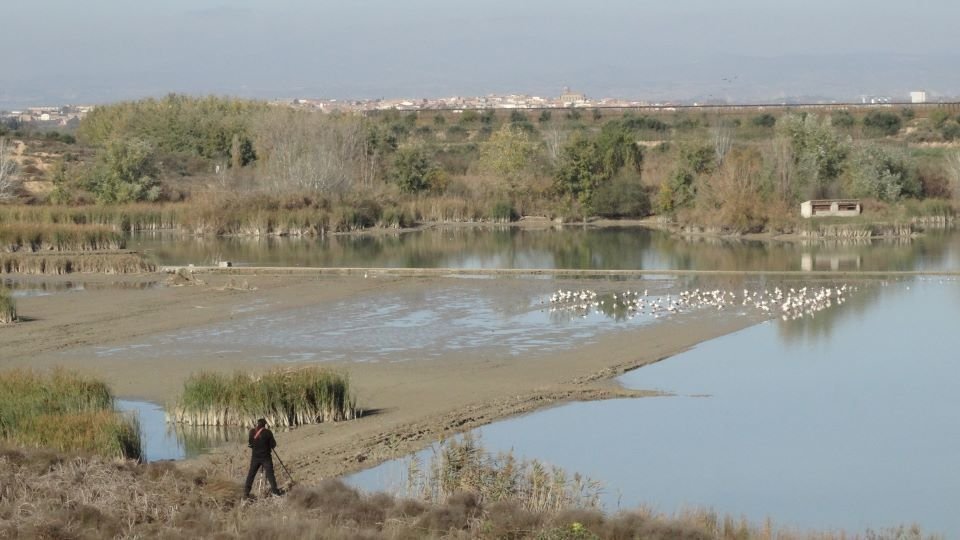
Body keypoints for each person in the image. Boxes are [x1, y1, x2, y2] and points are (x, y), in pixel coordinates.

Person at [243, 418, 282, 498]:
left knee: (251, 474)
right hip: (266, 458)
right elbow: (273, 445)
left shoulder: (252, 432)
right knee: (270, 475)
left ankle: (246, 493)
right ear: (265, 424)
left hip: (255, 458)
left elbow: (250, 444)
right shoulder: (268, 432)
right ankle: (275, 492)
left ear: (257, 424)